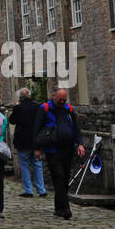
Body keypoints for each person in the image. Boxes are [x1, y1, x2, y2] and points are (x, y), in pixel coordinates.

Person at [35, 88, 85, 220]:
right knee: (58, 176)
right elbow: (37, 129)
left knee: (64, 179)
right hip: (52, 150)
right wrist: (37, 148)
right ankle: (66, 208)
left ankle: (58, 208)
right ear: (53, 96)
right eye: (60, 99)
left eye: (64, 99)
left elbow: (76, 128)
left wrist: (80, 143)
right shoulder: (44, 109)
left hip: (68, 150)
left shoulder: (69, 109)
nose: (62, 101)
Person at [9, 87, 47, 198]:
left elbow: (12, 120)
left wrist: (15, 107)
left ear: (20, 97)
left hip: (22, 141)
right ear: (30, 96)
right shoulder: (38, 106)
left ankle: (29, 190)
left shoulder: (18, 107)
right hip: (36, 140)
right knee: (37, 165)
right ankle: (41, 189)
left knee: (24, 166)